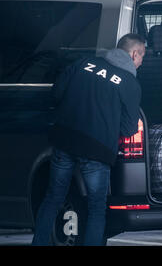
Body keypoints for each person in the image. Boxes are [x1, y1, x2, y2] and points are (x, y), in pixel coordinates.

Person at [32, 33, 146, 246]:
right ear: (133, 54)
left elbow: (56, 94)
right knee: (96, 208)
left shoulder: (84, 63)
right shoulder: (130, 84)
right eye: (142, 57)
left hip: (65, 141)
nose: (141, 63)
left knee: (53, 198)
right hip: (97, 150)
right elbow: (129, 129)